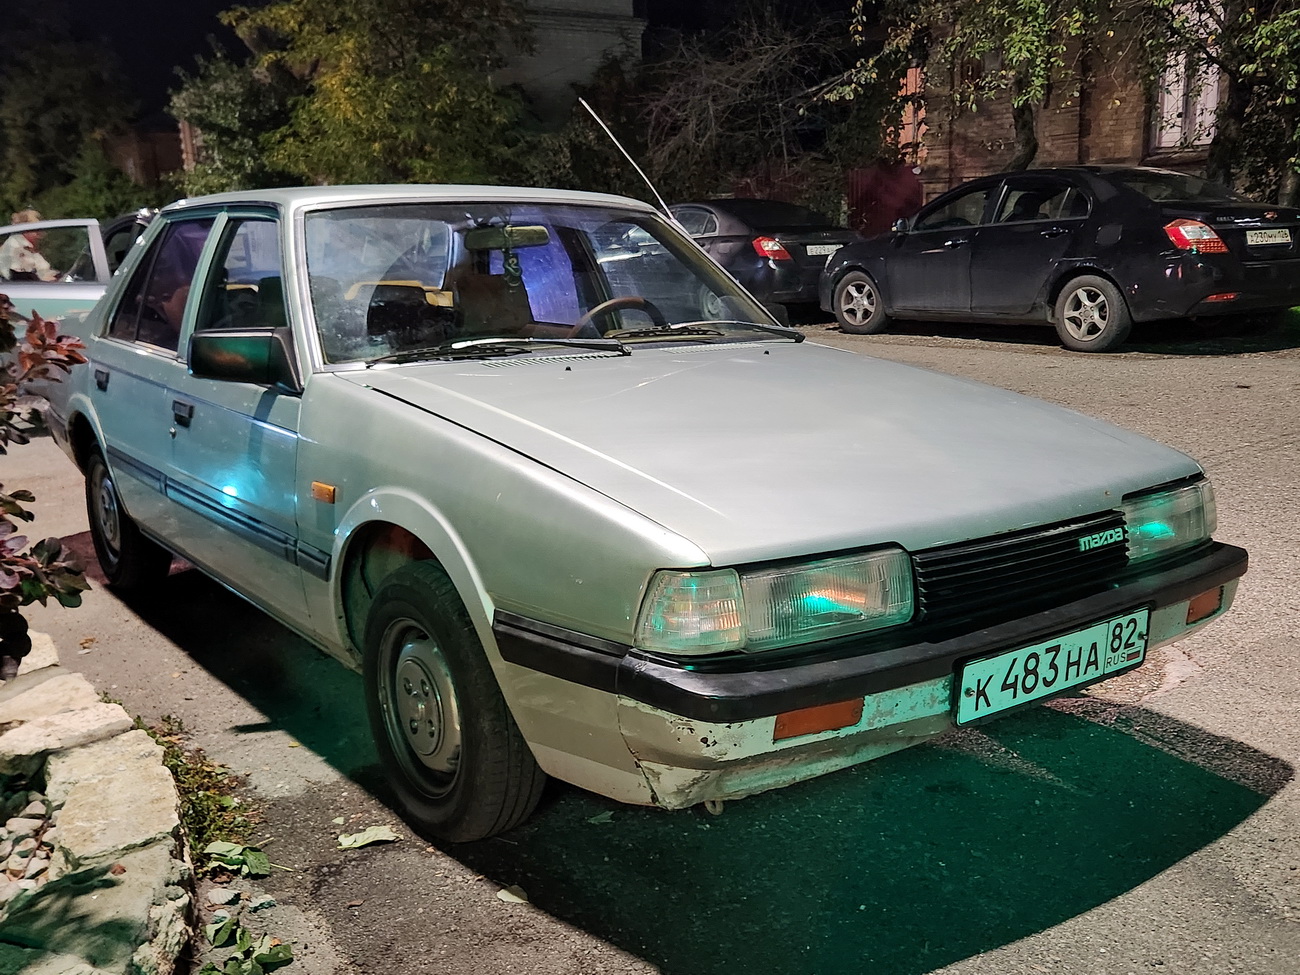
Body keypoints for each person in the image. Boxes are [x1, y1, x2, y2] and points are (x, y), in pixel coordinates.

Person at [0, 209, 59, 282]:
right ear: (24, 228)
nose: (39, 231)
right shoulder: (15, 247)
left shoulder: (27, 247)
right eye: (35, 228)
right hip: (30, 290)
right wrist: (43, 280)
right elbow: (20, 277)